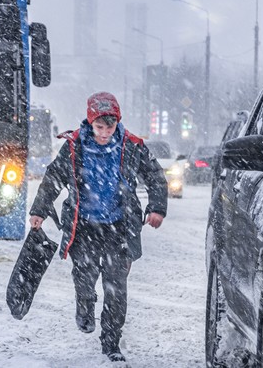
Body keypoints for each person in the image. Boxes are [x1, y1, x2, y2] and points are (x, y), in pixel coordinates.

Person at [29, 92, 167, 363]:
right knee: (84, 276)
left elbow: (155, 175)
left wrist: (156, 208)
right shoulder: (73, 147)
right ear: (90, 123)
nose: (105, 133)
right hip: (84, 228)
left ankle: (111, 342)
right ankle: (84, 304)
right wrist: (39, 211)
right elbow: (52, 179)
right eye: (99, 127)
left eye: (110, 127)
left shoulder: (132, 146)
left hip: (119, 227)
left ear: (117, 123)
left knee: (116, 287)